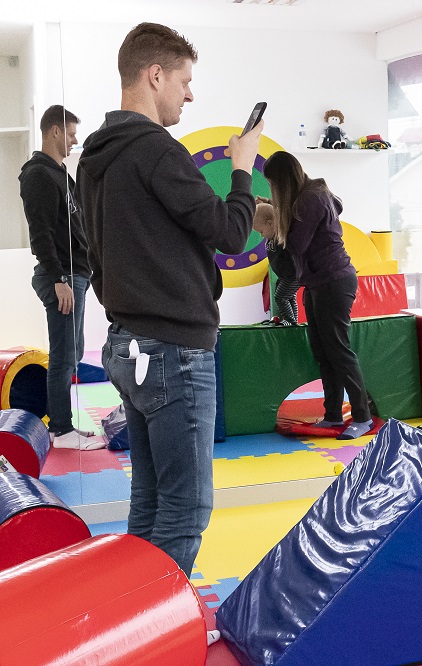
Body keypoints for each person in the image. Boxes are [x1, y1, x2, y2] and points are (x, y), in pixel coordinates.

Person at [76, 22, 262, 577]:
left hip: (127, 344)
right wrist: (244, 168)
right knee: (187, 507)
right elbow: (231, 234)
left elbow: (97, 252)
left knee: (151, 499)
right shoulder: (157, 150)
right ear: (154, 75)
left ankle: (134, 621)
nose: (189, 93)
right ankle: (155, 629)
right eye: (183, 80)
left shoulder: (94, 157)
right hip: (173, 351)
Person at [258, 151, 373, 439]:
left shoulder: (310, 199)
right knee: (323, 352)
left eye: (273, 185)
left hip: (334, 280)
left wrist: (276, 219)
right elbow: (335, 208)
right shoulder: (309, 195)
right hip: (318, 283)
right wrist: (275, 207)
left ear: (281, 181)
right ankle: (333, 414)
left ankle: (362, 416)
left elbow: (296, 244)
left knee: (339, 350)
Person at [19, 105, 104, 450]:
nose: (74, 140)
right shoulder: (38, 174)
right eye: (70, 134)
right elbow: (40, 232)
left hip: (77, 273)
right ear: (54, 131)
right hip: (63, 275)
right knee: (62, 356)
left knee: (73, 352)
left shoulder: (62, 175)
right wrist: (58, 278)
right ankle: (62, 430)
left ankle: (65, 424)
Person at [253, 201, 300, 324]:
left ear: (270, 224)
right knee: (289, 297)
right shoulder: (270, 238)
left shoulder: (281, 235)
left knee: (280, 297)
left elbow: (284, 213)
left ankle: (290, 321)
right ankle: (293, 321)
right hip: (284, 276)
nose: (261, 235)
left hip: (293, 275)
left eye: (261, 231)